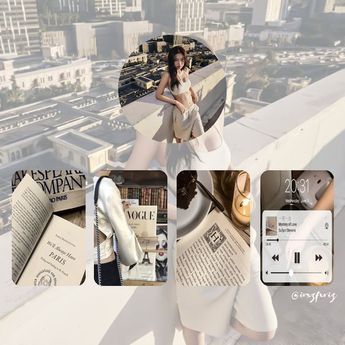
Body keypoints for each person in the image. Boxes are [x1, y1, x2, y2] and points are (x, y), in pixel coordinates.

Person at [125, 116, 277, 344]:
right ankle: (188, 316)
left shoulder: (213, 113)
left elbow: (226, 168)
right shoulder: (153, 130)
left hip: (234, 236)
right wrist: (185, 213)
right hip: (195, 247)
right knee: (195, 332)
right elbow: (128, 188)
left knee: (265, 329)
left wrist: (240, 196)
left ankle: (189, 315)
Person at [93, 170, 143, 286]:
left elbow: (98, 218)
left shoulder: (88, 182)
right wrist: (134, 257)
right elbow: (122, 231)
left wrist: (120, 208)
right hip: (103, 262)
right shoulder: (106, 185)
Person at [155, 45, 204, 143]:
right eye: (176, 60)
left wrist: (193, 93)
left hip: (193, 109)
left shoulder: (185, 71)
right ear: (171, 61)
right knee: (180, 143)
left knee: (200, 137)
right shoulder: (167, 75)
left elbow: (187, 85)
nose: (179, 63)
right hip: (182, 113)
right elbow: (158, 95)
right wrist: (176, 103)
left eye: (182, 59)